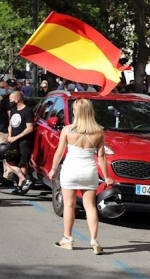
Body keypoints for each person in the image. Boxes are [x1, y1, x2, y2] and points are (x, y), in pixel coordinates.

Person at [47, 99, 114, 254]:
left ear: (76, 112)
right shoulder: (98, 131)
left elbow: (59, 152)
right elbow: (102, 156)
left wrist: (53, 169)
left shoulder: (68, 130)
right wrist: (107, 177)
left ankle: (67, 238)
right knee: (90, 206)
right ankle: (94, 241)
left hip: (70, 170)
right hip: (89, 171)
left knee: (69, 205)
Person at [7, 91, 35, 195]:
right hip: (13, 140)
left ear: (17, 99)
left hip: (24, 141)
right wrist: (10, 136)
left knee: (23, 162)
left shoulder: (27, 111)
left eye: (11, 99)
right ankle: (24, 179)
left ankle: (20, 187)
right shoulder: (14, 110)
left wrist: (17, 137)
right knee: (9, 160)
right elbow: (10, 124)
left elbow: (29, 128)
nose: (10, 101)